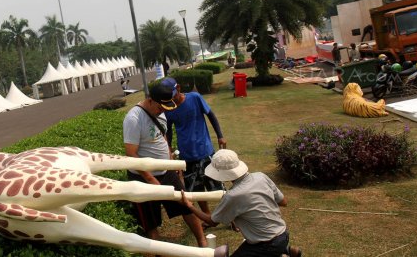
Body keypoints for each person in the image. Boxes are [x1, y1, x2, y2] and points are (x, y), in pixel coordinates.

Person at [123, 83, 207, 247]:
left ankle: (202, 243)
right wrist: (149, 177)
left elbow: (163, 139)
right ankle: (159, 251)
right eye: (161, 107)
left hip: (166, 172)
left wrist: (171, 163)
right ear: (150, 100)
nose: (163, 111)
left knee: (186, 205)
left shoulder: (161, 113)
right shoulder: (133, 118)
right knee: (151, 222)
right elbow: (131, 153)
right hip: (143, 178)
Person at [180, 149, 302, 257]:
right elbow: (284, 202)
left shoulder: (233, 196)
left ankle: (279, 252)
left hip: (266, 245)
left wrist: (190, 206)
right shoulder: (261, 176)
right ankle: (286, 250)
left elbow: (212, 221)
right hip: (283, 235)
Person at [161, 77, 226, 216]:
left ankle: (231, 218)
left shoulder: (195, 98)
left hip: (205, 151)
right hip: (187, 156)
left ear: (178, 88)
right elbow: (169, 131)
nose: (172, 100)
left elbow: (211, 115)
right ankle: (207, 216)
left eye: (173, 95)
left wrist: (220, 136)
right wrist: (170, 151)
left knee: (217, 187)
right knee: (197, 191)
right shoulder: (168, 109)